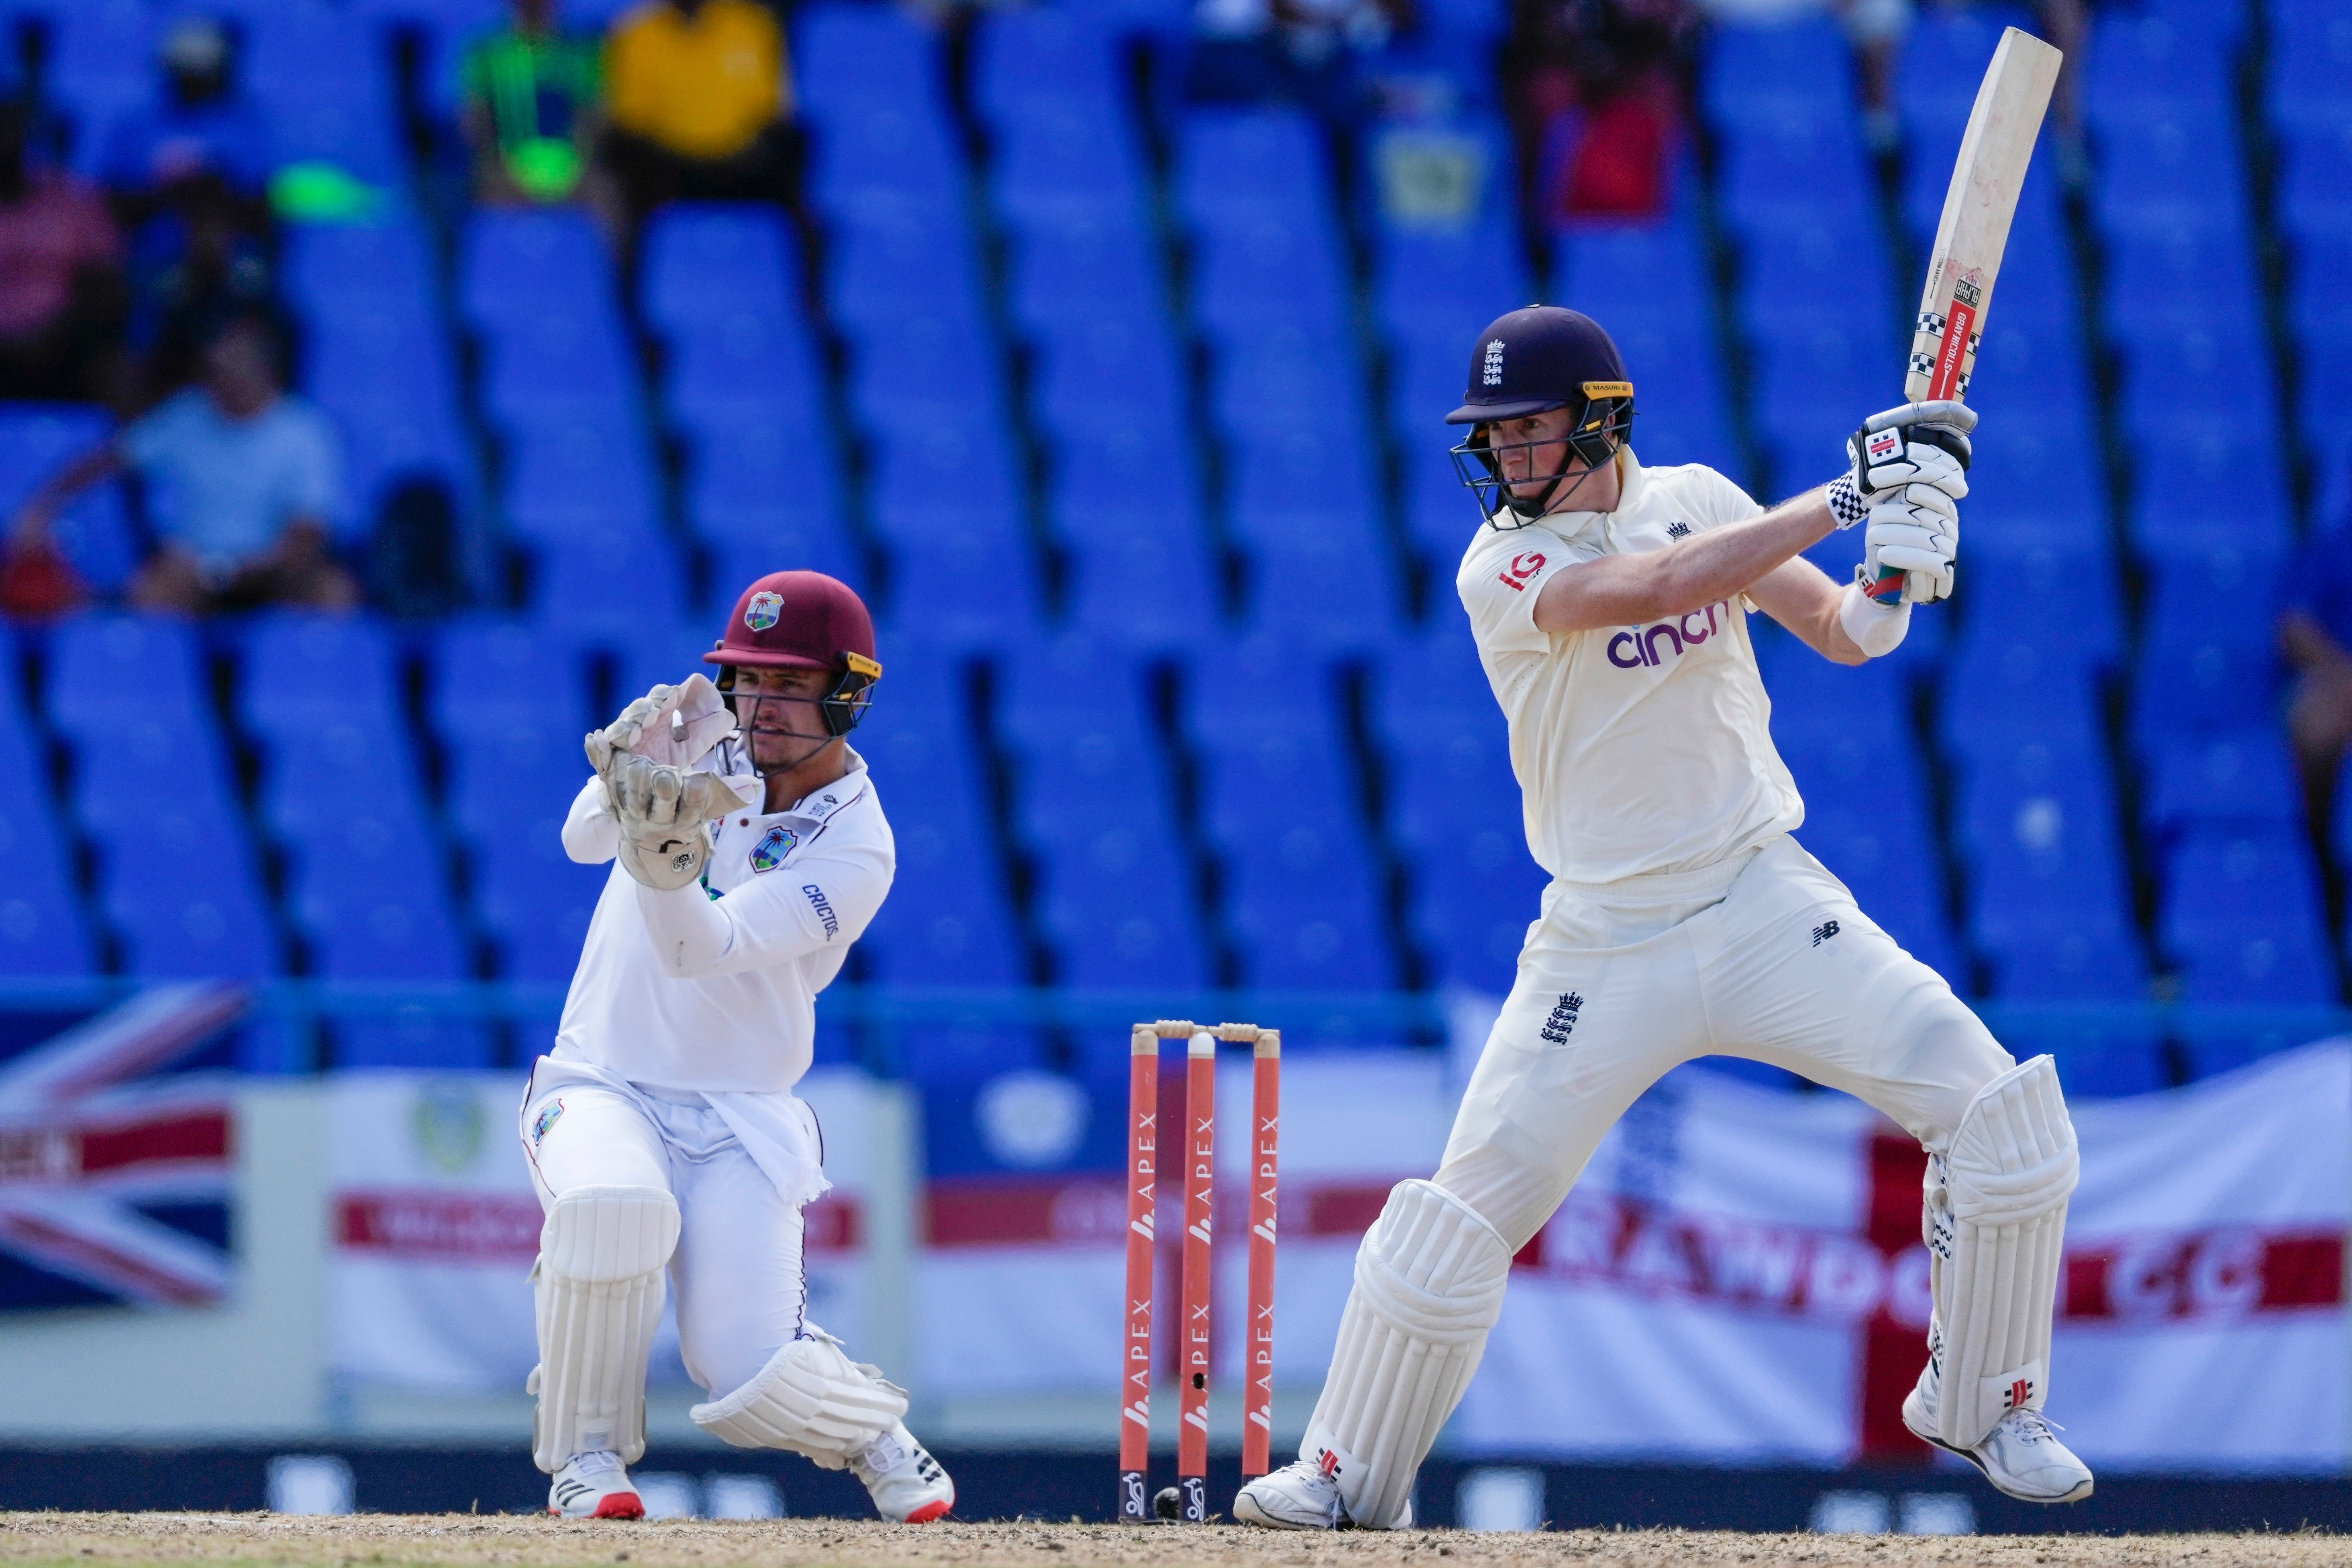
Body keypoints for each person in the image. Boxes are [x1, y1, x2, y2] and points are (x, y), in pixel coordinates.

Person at [1232, 307, 2092, 1529]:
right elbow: (1658, 585)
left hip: (1758, 895)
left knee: (2002, 1116)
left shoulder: (1695, 494)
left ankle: (1985, 1398)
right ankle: (1339, 1472)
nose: (1506, 460)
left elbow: (1843, 631)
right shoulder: (1503, 564)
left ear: (1600, 418)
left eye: (1528, 432)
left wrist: (1897, 558)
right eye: (1493, 437)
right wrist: (1851, 493)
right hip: (1600, 937)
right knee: (1462, 1210)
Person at [522, 569, 955, 1524]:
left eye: (790, 686)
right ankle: (588, 1459)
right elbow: (579, 841)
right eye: (748, 680)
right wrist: (625, 778)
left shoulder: (857, 845)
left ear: (847, 695)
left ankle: (874, 1432)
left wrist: (668, 855)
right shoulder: (708, 729)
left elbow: (695, 948)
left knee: (746, 1369)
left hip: (738, 1111)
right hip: (603, 1077)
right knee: (610, 1205)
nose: (759, 707)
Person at [8, 313, 355, 614]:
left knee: (333, 594)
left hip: (273, 572)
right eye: (217, 371)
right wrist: (43, 504)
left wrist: (243, 570)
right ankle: (156, 687)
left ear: (265, 372)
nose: (225, 382)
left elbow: (308, 533)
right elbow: (109, 459)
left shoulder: (304, 429)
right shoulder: (188, 414)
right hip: (193, 570)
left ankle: (301, 688)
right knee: (150, 593)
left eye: (236, 371)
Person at [600, 0, 797, 242]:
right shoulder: (636, 32)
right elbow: (631, 119)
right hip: (666, 169)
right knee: (622, 162)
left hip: (741, 166)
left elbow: (770, 112)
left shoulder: (752, 25)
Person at [0, 99, 128, 404]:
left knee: (115, 368)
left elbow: (107, 286)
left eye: (10, 132)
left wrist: (56, 333)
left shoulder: (74, 201)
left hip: (62, 343)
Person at [460, 0, 612, 211]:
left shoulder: (581, 53)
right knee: (479, 197)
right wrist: (502, 164)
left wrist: (571, 167)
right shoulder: (487, 54)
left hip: (574, 169)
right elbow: (475, 121)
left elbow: (593, 118)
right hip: (504, 169)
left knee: (606, 197)